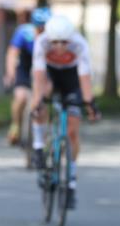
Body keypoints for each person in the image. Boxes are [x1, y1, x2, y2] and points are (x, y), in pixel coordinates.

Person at [31, 15, 100, 208]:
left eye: (64, 42)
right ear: (48, 38)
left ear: (70, 38)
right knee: (39, 101)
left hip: (72, 79)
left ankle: (70, 180)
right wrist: (38, 101)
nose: (60, 47)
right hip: (51, 76)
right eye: (55, 42)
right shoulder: (41, 42)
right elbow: (38, 75)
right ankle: (38, 146)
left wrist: (89, 103)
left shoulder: (80, 44)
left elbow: (85, 77)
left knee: (72, 132)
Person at [4, 6, 51, 145]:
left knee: (44, 99)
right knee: (21, 97)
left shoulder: (53, 37)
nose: (41, 30)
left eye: (44, 27)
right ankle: (15, 126)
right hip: (25, 66)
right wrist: (10, 73)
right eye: (38, 27)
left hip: (44, 67)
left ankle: (43, 132)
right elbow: (12, 53)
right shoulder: (24, 32)